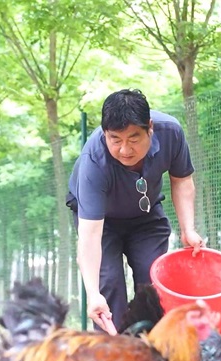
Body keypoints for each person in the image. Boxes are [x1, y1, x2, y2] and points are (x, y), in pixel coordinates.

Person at [67, 89, 204, 333]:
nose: (124, 150)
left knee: (153, 281)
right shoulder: (94, 162)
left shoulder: (171, 132)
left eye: (133, 139)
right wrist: (92, 293)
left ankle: (153, 353)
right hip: (102, 223)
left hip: (146, 215)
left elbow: (182, 179)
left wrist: (188, 230)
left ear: (149, 127)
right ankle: (115, 358)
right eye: (115, 140)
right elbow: (90, 236)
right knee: (108, 283)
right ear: (105, 133)